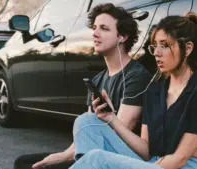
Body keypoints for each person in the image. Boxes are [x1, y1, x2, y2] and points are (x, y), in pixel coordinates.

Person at [69, 12, 197, 169]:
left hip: (185, 166)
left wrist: (142, 166)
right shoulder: (154, 91)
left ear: (188, 48)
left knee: (97, 158)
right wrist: (111, 118)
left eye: (165, 45)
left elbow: (179, 159)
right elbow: (146, 151)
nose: (156, 53)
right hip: (152, 162)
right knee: (86, 121)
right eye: (155, 46)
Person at [13, 3, 151, 169]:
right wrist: (63, 155)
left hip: (119, 156)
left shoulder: (135, 76)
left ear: (122, 37)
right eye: (94, 27)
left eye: (104, 29)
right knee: (24, 163)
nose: (95, 33)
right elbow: (86, 130)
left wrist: (66, 158)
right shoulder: (98, 79)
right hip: (95, 149)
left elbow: (117, 134)